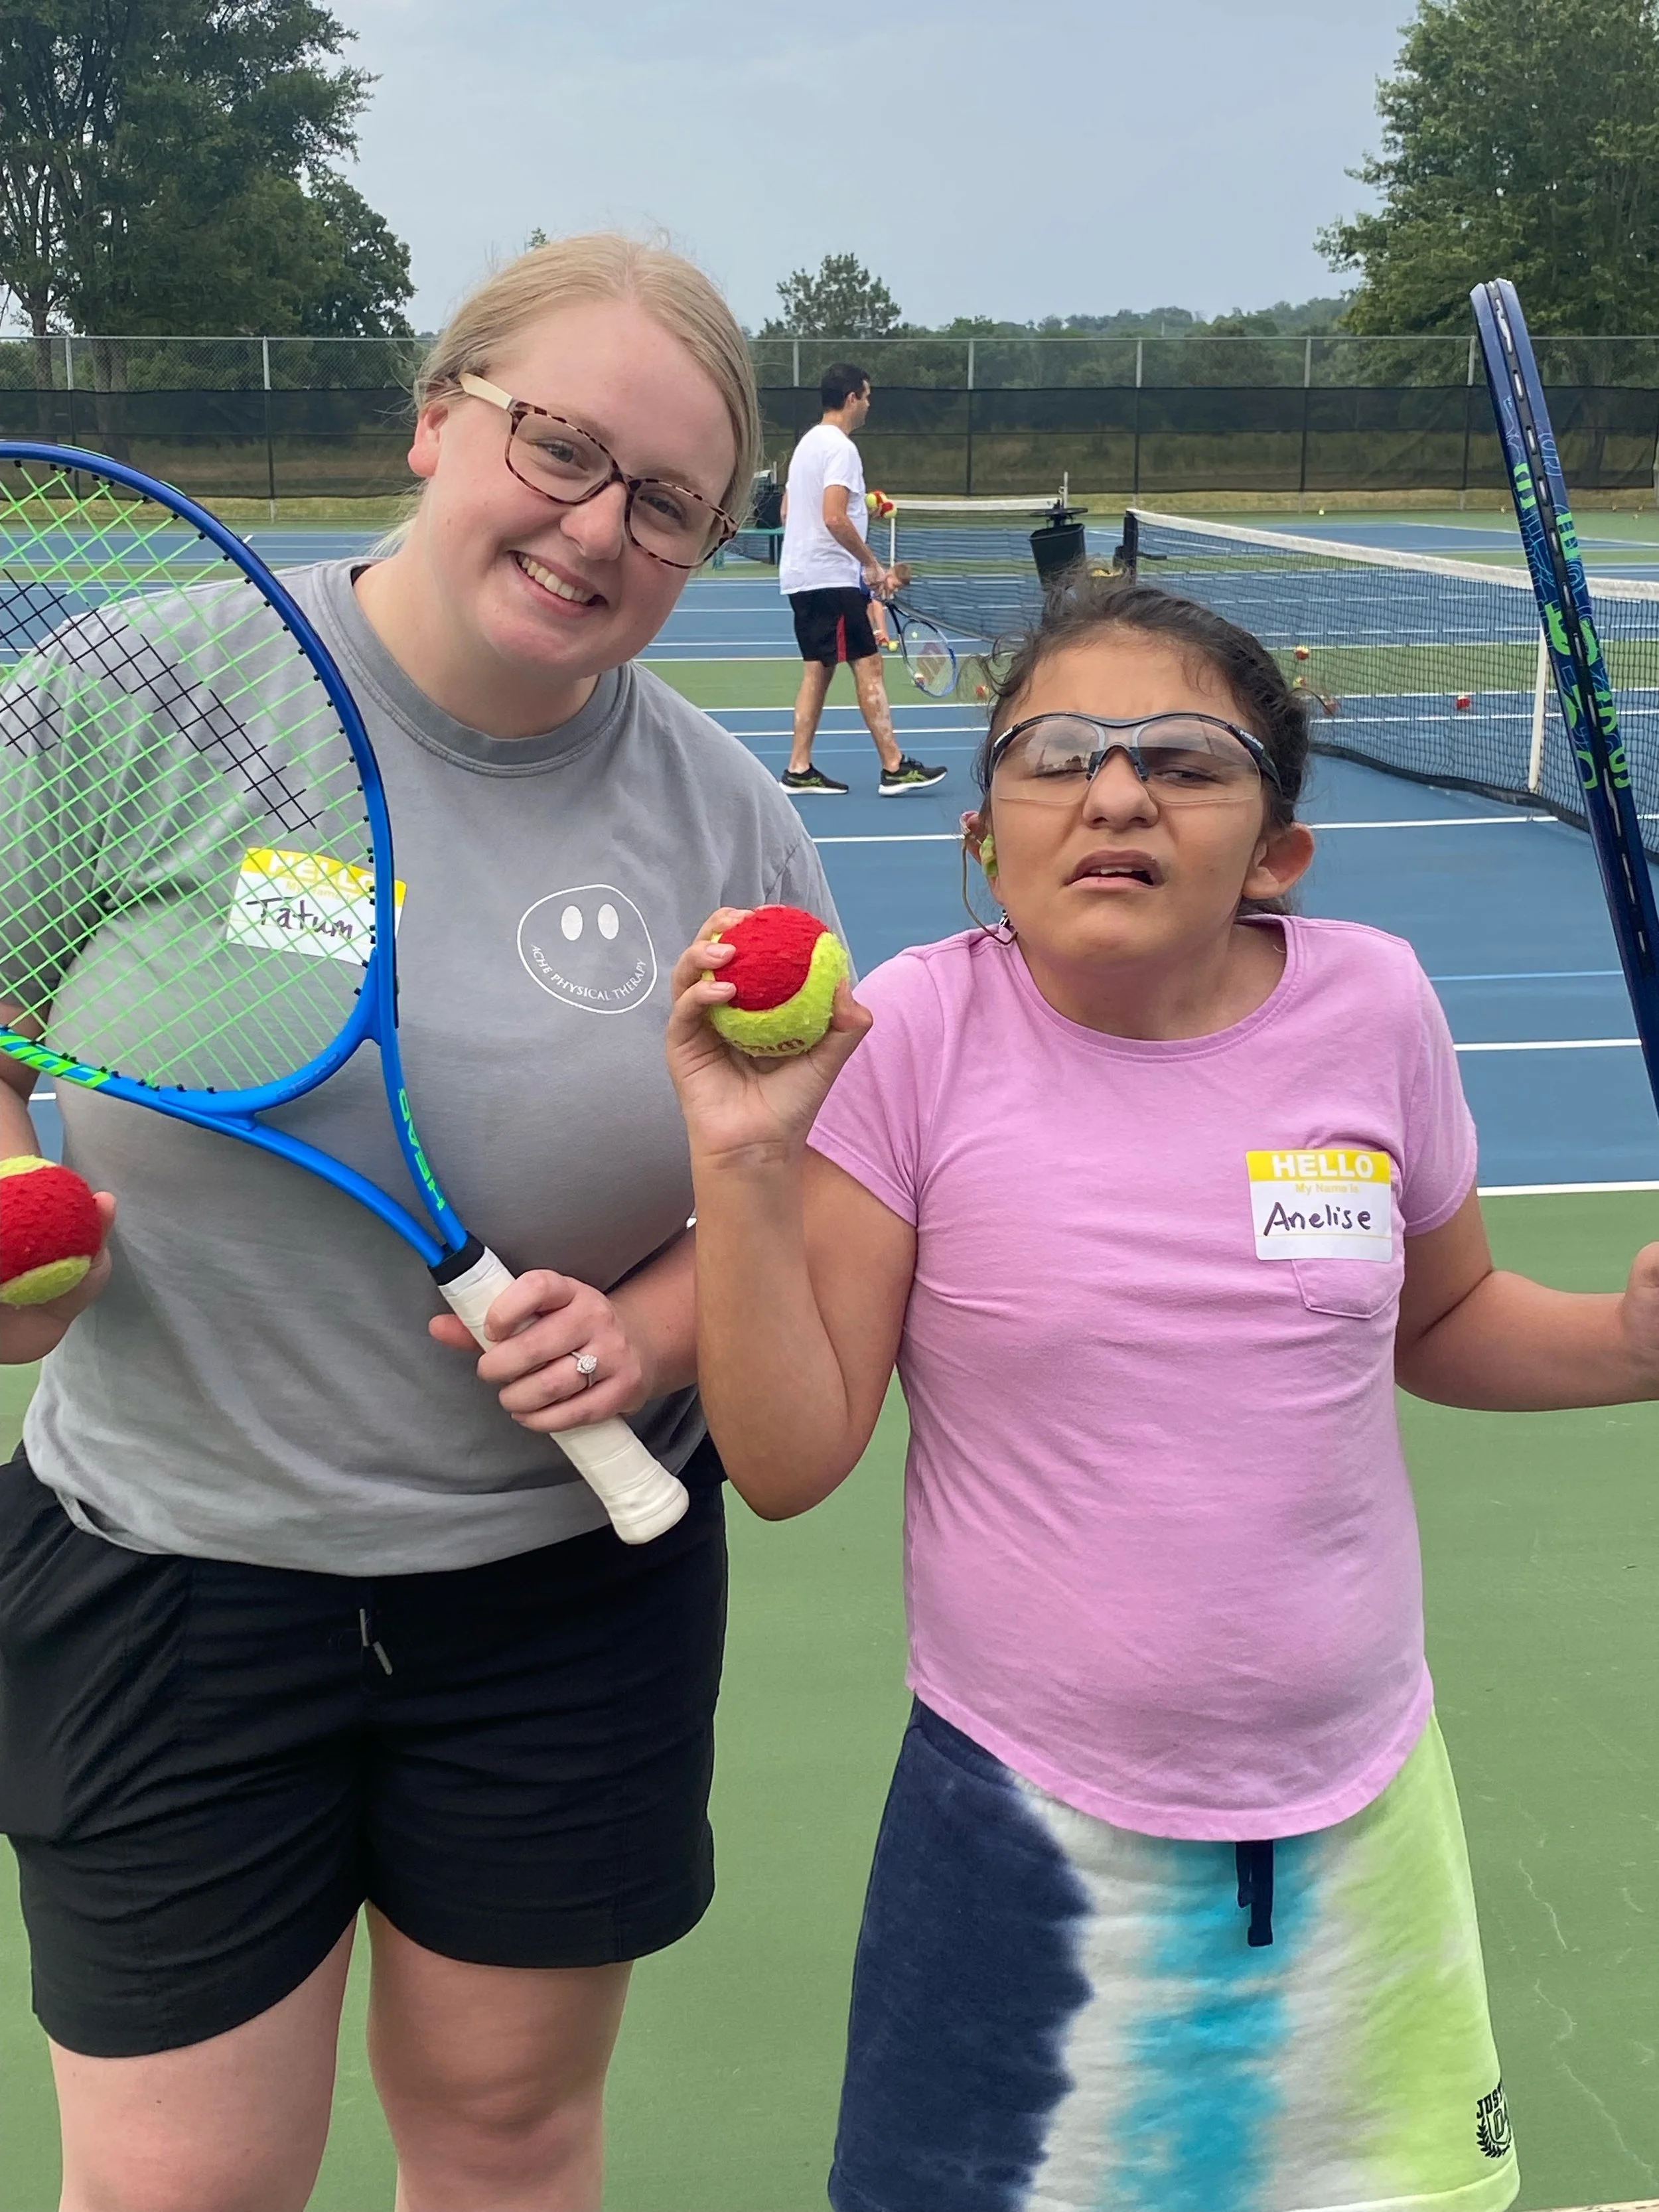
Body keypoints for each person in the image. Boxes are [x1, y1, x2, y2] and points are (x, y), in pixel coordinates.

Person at [0, 233, 839, 2212]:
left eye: (664, 505)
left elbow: (774, 1194)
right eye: (557, 446)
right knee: (183, 2191)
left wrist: (640, 1333)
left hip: (560, 1600)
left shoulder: (731, 824)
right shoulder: (140, 698)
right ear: (436, 416)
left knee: (508, 2145)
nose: (594, 528)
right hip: (164, 1580)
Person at [668, 573, 1659, 2212]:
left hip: (1358, 1828)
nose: (1114, 790)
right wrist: (747, 1156)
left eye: (1185, 760)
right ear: (982, 835)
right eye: (1055, 755)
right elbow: (785, 1457)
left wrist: (1632, 1349)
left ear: (1275, 850)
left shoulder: (1376, 1003)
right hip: (1024, 1838)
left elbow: (1448, 1317)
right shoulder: (912, 1033)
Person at [776, 362, 946, 798]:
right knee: (868, 664)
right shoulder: (841, 449)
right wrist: (869, 564)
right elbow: (833, 517)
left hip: (804, 577)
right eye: (867, 396)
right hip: (828, 578)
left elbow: (790, 513)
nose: (869, 403)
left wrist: (858, 525)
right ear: (852, 397)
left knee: (819, 669)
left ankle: (799, 768)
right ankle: (893, 766)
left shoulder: (806, 445)